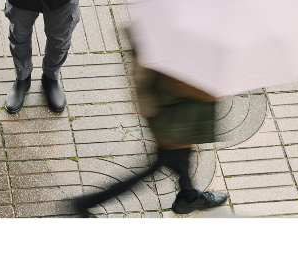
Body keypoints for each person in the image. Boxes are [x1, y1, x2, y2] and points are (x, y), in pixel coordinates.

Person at [72, 33, 228, 217]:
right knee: (162, 163)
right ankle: (86, 203)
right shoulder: (174, 45)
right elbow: (175, 84)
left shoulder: (177, 32)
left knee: (180, 160)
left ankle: (187, 196)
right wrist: (212, 90)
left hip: (178, 120)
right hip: (173, 122)